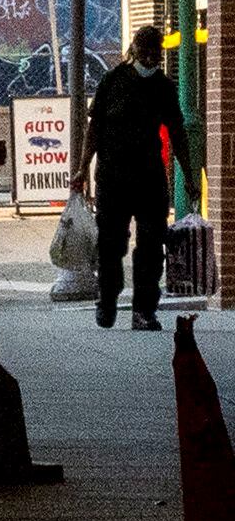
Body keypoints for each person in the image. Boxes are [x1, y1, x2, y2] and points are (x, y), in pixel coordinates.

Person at [86, 25, 187, 332]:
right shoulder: (112, 81)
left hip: (149, 177)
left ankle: (144, 310)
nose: (151, 58)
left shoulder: (163, 87)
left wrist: (190, 174)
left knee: (152, 246)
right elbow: (94, 130)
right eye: (146, 52)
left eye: (156, 53)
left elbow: (178, 132)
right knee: (111, 244)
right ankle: (108, 298)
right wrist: (81, 167)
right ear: (134, 51)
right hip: (113, 177)